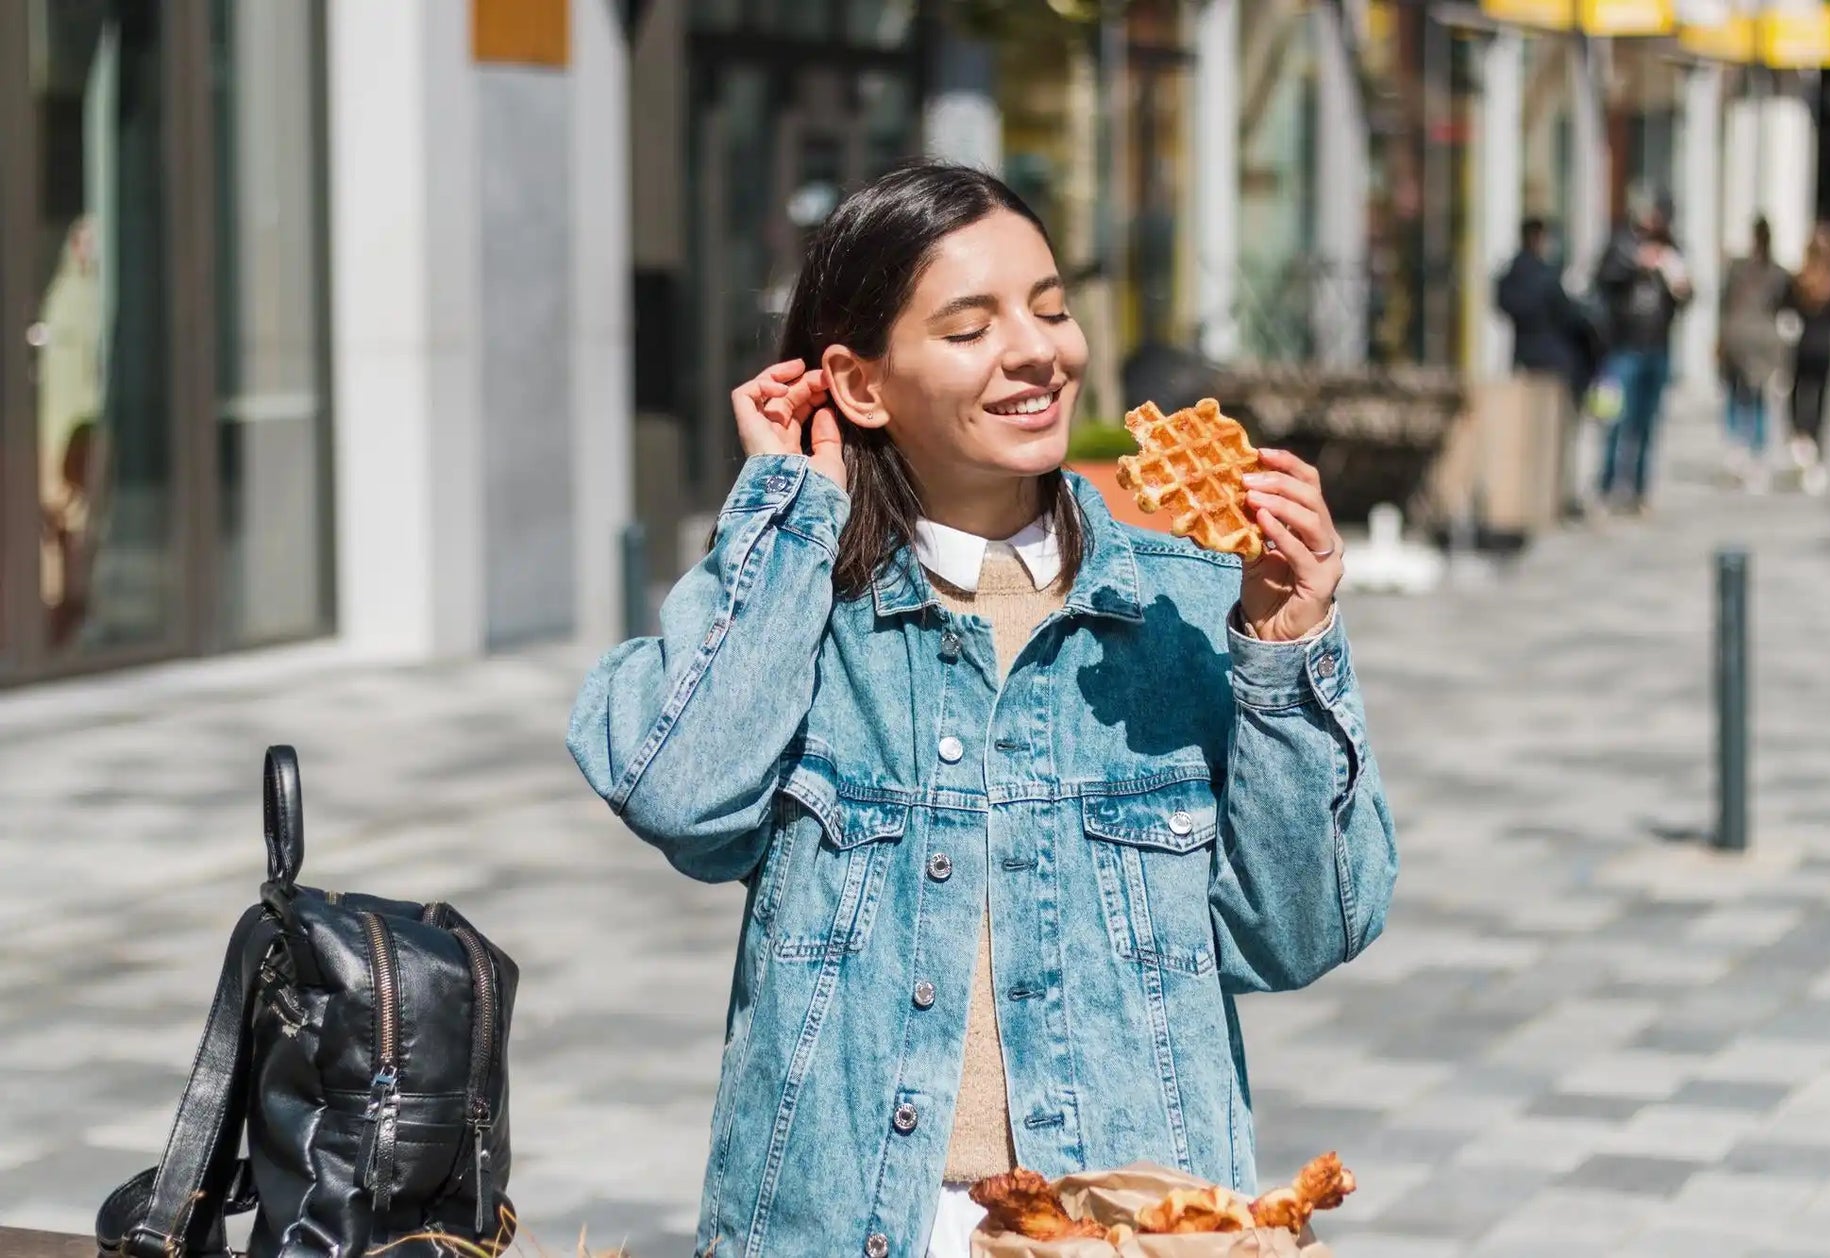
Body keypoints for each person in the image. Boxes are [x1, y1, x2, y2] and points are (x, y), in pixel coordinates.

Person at [567, 164, 1397, 1258]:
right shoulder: (805, 610)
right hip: (850, 1226)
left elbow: (1299, 933)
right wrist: (785, 512)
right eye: (970, 326)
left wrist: (1287, 651)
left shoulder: (1189, 604)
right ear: (860, 386)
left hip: (1123, 1230)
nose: (1037, 349)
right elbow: (682, 799)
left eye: (1051, 307)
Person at [1594, 184, 1692, 514]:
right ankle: (1607, 487)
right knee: (1615, 421)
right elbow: (1603, 281)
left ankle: (1638, 490)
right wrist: (1637, 265)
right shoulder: (1621, 244)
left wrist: (1677, 281)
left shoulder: (1672, 249)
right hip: (1624, 348)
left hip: (1657, 349)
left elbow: (1686, 295)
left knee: (1647, 424)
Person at [1716, 217, 1791, 492]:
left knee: (1739, 396)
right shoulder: (1775, 273)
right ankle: (1754, 456)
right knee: (1756, 397)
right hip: (1759, 341)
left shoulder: (1740, 269)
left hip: (1740, 337)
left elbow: (1725, 305)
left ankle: (1738, 452)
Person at [1495, 216, 1599, 407]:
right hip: (1553, 356)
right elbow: (1567, 314)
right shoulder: (1545, 277)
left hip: (1523, 352)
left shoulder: (1511, 275)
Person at [1786, 221, 1830, 495]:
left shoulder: (1800, 279)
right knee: (1821, 399)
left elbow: (1785, 308)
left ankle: (1801, 437)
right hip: (1825, 347)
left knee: (1798, 394)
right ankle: (1815, 452)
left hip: (1803, 344)